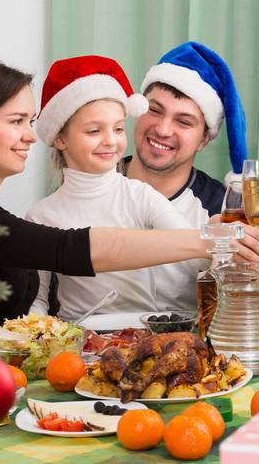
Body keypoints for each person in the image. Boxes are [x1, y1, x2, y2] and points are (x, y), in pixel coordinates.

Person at [0, 57, 259, 331]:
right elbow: (72, 249)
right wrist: (212, 239)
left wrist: (228, 248)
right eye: (17, 121)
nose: (31, 136)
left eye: (30, 121)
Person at [25, 55, 206, 319]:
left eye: (119, 129)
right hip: (79, 344)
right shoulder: (40, 215)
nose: (110, 141)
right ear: (60, 138)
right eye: (93, 131)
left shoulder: (141, 196)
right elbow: (37, 301)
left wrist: (222, 242)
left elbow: (195, 252)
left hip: (143, 338)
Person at [123, 41, 247, 225]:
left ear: (203, 139)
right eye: (155, 110)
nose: (163, 130)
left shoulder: (221, 213)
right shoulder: (89, 183)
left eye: (183, 122)